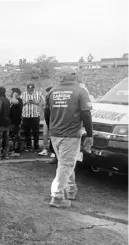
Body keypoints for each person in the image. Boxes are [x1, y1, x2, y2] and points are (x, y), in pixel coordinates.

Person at [45, 66, 93, 208]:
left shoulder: (52, 92)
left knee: (64, 163)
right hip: (71, 135)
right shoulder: (80, 92)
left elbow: (47, 114)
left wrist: (52, 128)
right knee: (66, 164)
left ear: (62, 77)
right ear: (74, 77)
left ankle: (71, 190)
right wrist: (90, 134)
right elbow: (86, 114)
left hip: (55, 134)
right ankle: (57, 197)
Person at [21, 83, 44, 152]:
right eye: (29, 89)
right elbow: (20, 103)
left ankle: (36, 146)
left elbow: (44, 103)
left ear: (34, 89)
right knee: (27, 132)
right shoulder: (23, 94)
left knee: (35, 132)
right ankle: (29, 146)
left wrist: (36, 102)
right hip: (26, 116)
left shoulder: (39, 94)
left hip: (35, 116)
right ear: (27, 89)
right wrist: (25, 103)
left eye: (31, 90)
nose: (30, 91)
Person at [9, 87, 23, 156]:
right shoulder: (13, 100)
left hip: (16, 122)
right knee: (13, 137)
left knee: (16, 137)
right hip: (12, 122)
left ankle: (17, 152)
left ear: (16, 93)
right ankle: (14, 150)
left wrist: (14, 95)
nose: (10, 93)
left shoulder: (19, 100)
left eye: (12, 92)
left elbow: (14, 101)